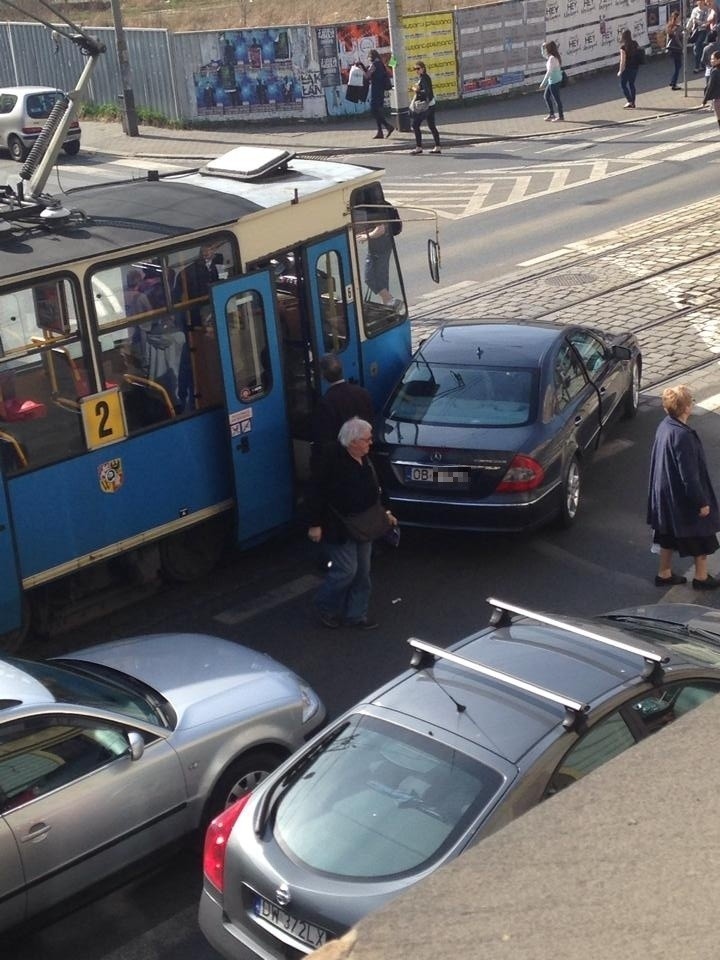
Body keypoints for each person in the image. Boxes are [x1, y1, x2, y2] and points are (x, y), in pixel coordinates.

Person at [307, 417, 397, 629]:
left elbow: (378, 487)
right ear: (353, 441)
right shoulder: (331, 460)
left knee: (363, 571)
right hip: (338, 527)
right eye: (367, 439)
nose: (370, 443)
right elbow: (315, 492)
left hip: (364, 524)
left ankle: (356, 615)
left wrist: (387, 511)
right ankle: (325, 606)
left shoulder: (364, 458)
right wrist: (315, 523)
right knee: (347, 570)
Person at [647, 384, 720, 590]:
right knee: (701, 532)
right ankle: (701, 577)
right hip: (681, 497)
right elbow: (689, 476)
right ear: (687, 408)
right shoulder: (683, 436)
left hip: (664, 493)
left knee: (667, 534)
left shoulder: (665, 426)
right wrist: (701, 502)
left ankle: (664, 573)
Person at [310, 353, 374, 472]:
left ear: (323, 376)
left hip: (342, 462)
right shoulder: (362, 393)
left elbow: (325, 439)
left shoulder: (325, 402)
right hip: (362, 455)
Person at [409, 61, 441, 154]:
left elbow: (427, 92)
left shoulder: (424, 78)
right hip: (431, 105)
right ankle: (437, 146)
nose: (417, 71)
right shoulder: (424, 78)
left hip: (426, 106)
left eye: (418, 69)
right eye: (415, 69)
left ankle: (419, 148)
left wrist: (417, 90)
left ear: (423, 68)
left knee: (415, 125)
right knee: (431, 126)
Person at [362, 49, 394, 140]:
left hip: (376, 90)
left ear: (371, 57)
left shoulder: (374, 65)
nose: (368, 59)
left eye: (369, 57)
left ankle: (388, 126)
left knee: (374, 110)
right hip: (381, 91)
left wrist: (361, 68)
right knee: (378, 111)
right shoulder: (380, 64)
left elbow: (367, 76)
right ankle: (380, 132)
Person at [539, 40, 564, 122]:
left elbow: (549, 72)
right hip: (552, 81)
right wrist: (542, 47)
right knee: (546, 96)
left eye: (545, 48)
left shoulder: (552, 59)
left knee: (556, 99)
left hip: (554, 81)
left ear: (549, 49)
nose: (544, 50)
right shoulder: (551, 57)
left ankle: (561, 117)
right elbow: (543, 55)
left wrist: (543, 83)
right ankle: (551, 114)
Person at [618, 29, 642, 108]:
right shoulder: (635, 43)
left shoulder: (623, 47)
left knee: (623, 84)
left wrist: (620, 71)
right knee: (632, 84)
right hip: (635, 67)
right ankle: (633, 102)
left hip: (626, 68)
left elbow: (622, 61)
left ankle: (629, 101)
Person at [687, 0, 710, 71]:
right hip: (696, 31)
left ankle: (697, 66)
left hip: (703, 31)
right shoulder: (695, 10)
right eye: (698, 1)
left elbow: (706, 22)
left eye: (701, 1)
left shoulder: (707, 10)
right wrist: (687, 29)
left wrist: (698, 21)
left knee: (697, 47)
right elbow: (691, 20)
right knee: (699, 48)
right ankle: (702, 64)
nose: (699, 2)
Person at [666, 11, 683, 89]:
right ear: (676, 18)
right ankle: (674, 84)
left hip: (672, 49)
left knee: (677, 66)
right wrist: (681, 46)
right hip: (677, 49)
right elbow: (676, 38)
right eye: (679, 17)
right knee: (678, 66)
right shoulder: (677, 27)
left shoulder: (670, 26)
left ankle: (673, 81)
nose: (680, 19)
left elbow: (669, 37)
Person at [702, 49, 720, 126]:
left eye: (713, 59)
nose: (711, 61)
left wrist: (704, 100)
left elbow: (710, 87)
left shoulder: (715, 71)